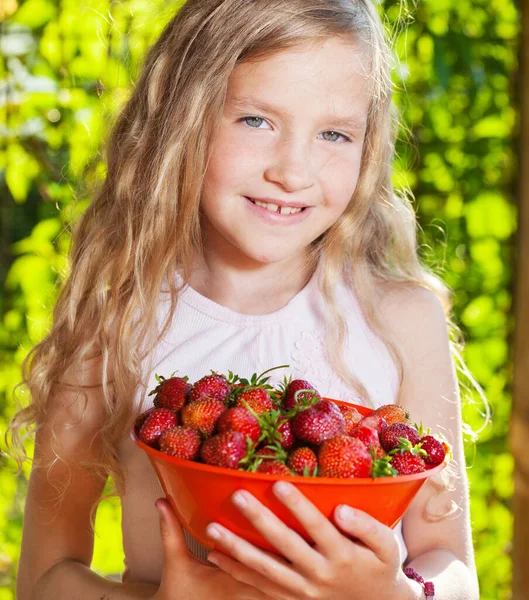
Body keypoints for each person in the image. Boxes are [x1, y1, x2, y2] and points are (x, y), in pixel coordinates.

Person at [8, 0, 480, 598]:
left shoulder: (401, 321)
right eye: (256, 120)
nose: (293, 170)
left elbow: (452, 565)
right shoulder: (118, 326)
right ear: (184, 119)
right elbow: (45, 579)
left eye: (334, 133)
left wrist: (393, 593)